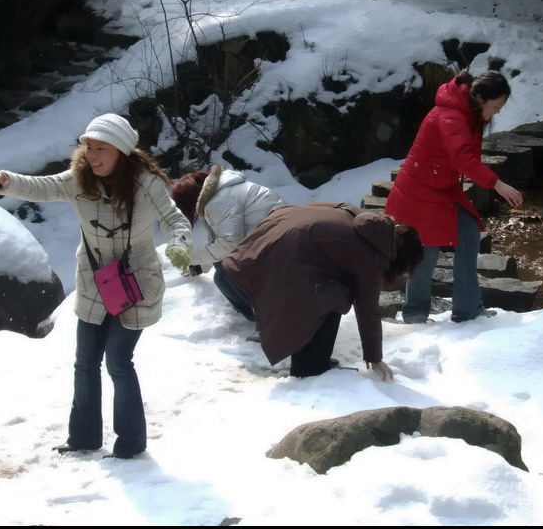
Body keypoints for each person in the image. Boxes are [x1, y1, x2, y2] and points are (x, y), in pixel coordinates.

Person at [0, 113, 193, 459]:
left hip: (136, 282)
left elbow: (174, 219)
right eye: (88, 147)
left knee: (119, 361)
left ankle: (131, 445)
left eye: (101, 148)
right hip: (95, 283)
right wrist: (7, 181)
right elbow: (42, 187)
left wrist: (180, 243)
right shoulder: (80, 179)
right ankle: (83, 438)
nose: (92, 155)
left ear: (120, 151)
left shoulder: (145, 183)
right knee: (85, 361)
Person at [219, 202, 424, 380]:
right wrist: (375, 358)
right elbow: (367, 309)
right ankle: (309, 368)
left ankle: (307, 354)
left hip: (262, 244)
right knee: (334, 296)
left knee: (323, 291)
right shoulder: (373, 256)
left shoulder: (360, 218)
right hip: (286, 256)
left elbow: (313, 207)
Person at [385, 70, 524, 324]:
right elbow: (461, 157)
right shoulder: (451, 115)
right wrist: (497, 184)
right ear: (480, 97)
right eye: (497, 105)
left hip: (443, 188)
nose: (499, 111)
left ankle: (468, 308)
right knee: (425, 255)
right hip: (419, 191)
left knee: (469, 233)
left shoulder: (468, 111)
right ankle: (415, 314)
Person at [171, 164, 284, 323]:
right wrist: (202, 264)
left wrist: (192, 257)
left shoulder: (218, 201)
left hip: (276, 249)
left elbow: (229, 244)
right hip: (277, 239)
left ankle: (267, 319)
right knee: (222, 265)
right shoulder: (223, 190)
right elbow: (221, 238)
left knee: (224, 277)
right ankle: (257, 305)